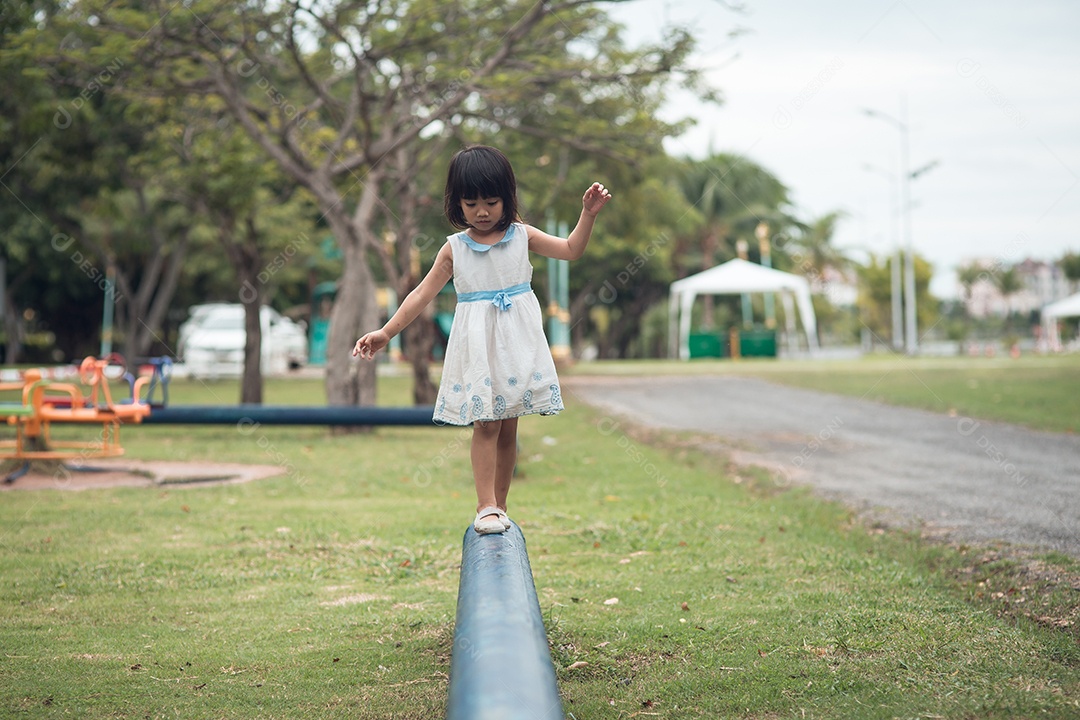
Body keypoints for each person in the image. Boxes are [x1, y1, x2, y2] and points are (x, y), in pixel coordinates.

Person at [353, 145, 612, 534]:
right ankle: (485, 504)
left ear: (507, 198)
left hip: (517, 346)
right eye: (471, 203)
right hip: (479, 348)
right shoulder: (455, 248)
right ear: (457, 203)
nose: (483, 211)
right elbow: (421, 294)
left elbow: (572, 249)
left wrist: (587, 216)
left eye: (491, 201)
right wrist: (386, 331)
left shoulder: (522, 236)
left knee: (509, 426)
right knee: (486, 425)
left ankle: (501, 506)